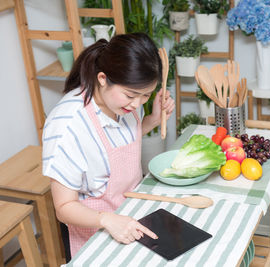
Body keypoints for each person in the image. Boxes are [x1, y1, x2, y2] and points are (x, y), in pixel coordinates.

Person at [42, 33, 175, 259]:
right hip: (95, 231)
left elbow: (121, 139)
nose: (137, 104)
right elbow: (63, 207)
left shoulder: (125, 104)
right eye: (131, 95)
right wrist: (106, 219)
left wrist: (152, 119)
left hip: (133, 213)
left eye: (146, 95)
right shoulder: (67, 125)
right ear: (103, 78)